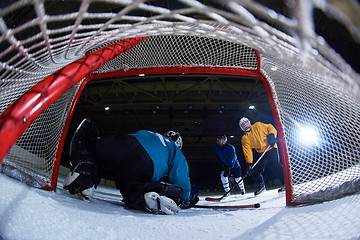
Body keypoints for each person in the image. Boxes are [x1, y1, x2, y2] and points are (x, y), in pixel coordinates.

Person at [63, 118, 199, 215]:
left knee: (94, 148)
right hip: (146, 165)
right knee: (133, 194)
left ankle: (85, 176)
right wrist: (185, 198)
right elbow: (181, 178)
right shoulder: (176, 152)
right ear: (179, 145)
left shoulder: (152, 134)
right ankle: (145, 199)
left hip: (126, 144)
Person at [239, 117, 285, 196]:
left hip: (270, 147)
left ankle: (286, 183)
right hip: (261, 152)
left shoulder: (258, 125)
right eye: (243, 125)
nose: (245, 125)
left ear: (249, 122)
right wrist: (249, 163)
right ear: (242, 128)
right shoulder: (245, 138)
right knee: (254, 169)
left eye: (246, 123)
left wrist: (271, 135)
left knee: (274, 164)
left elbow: (270, 127)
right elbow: (248, 152)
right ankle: (261, 186)